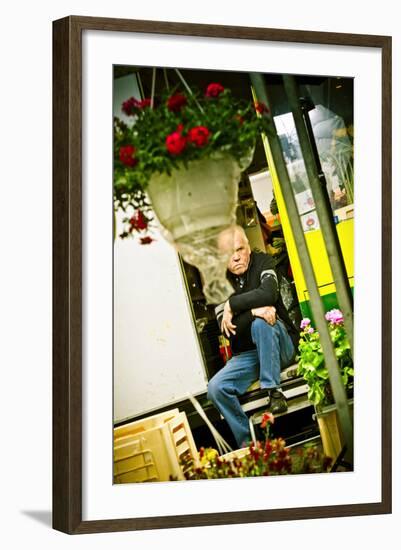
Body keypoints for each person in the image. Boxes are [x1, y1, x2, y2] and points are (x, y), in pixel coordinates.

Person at [207, 225, 299, 448]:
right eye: (230, 253)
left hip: (280, 344)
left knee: (261, 325)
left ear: (248, 247)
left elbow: (269, 293)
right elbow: (227, 328)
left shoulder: (264, 262)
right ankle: (247, 444)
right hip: (248, 355)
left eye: (240, 249)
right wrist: (253, 310)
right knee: (215, 388)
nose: (236, 257)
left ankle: (273, 391)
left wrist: (234, 304)